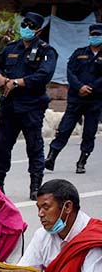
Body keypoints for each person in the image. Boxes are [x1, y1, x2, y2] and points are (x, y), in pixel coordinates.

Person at [0, 12, 58, 200]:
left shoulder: (46, 51)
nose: (26, 28)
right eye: (24, 24)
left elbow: (44, 75)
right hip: (10, 107)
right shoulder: (12, 48)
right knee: (3, 146)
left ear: (38, 29)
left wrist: (18, 82)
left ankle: (36, 186)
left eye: (30, 26)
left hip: (31, 107)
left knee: (34, 147)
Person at [45, 23, 102, 175]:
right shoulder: (79, 53)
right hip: (76, 99)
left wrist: (90, 88)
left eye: (97, 35)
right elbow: (70, 72)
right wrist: (79, 87)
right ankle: (51, 157)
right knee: (64, 129)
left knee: (89, 132)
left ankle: (82, 161)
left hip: (94, 101)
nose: (94, 38)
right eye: (92, 35)